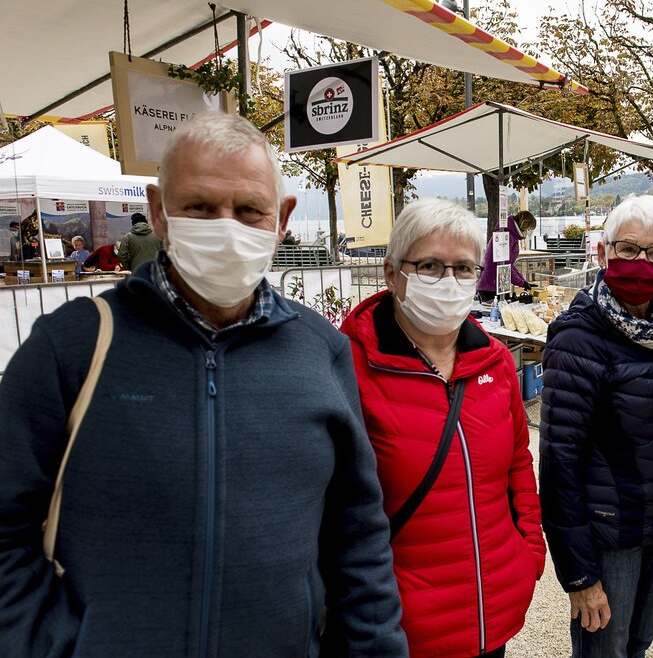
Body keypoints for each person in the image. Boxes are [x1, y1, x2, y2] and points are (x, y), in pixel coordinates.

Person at [0, 112, 407, 656]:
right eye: (199, 207)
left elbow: (356, 537)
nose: (226, 227)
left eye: (248, 210)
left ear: (282, 218)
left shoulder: (319, 351)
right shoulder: (69, 349)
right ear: (158, 212)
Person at [341, 199, 545, 658]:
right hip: (401, 628)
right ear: (393, 273)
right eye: (430, 265)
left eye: (463, 268)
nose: (449, 282)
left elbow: (517, 462)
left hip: (491, 616)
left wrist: (528, 551)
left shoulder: (493, 361)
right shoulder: (349, 366)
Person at [541, 195, 653, 658]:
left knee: (637, 645)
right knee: (603, 651)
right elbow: (559, 463)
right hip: (607, 533)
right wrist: (579, 574)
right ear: (602, 253)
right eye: (627, 249)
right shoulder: (578, 338)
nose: (640, 261)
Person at [477, 209, 537, 303]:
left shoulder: (511, 235)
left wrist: (523, 281)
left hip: (498, 283)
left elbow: (509, 264)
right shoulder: (507, 236)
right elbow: (506, 266)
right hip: (491, 285)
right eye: (529, 229)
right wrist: (522, 282)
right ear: (524, 225)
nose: (529, 232)